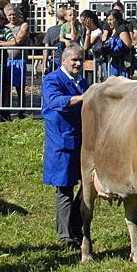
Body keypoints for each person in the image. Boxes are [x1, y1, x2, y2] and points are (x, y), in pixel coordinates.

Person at [40, 45, 88, 250]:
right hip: (61, 143)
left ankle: (76, 228)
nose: (78, 64)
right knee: (65, 189)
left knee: (86, 187)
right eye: (74, 60)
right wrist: (81, 98)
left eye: (81, 60)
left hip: (81, 142)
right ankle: (65, 236)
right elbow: (54, 101)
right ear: (64, 61)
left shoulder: (82, 82)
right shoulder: (52, 80)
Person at [101, 9, 134, 78]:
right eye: (107, 20)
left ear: (117, 19)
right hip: (113, 64)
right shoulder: (110, 31)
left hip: (121, 65)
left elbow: (128, 46)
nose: (108, 22)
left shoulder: (122, 28)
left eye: (111, 20)